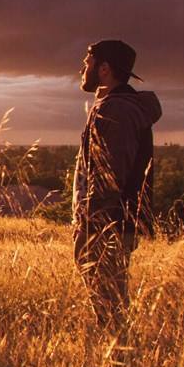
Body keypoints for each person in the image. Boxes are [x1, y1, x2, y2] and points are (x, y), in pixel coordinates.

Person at [72, 39, 163, 334]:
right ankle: (118, 363)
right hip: (107, 225)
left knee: (111, 310)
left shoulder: (118, 111)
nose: (82, 69)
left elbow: (112, 176)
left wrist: (95, 224)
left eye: (88, 63)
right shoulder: (111, 106)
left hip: (107, 227)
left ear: (104, 69)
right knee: (109, 306)